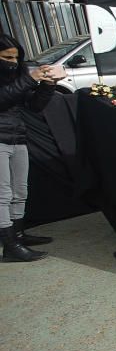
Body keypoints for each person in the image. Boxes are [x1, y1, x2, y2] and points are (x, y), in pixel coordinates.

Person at [0, 33, 58, 262]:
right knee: (3, 194)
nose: (13, 62)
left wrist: (48, 85)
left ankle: (19, 234)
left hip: (17, 136)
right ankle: (10, 245)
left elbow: (34, 106)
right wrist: (30, 79)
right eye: (7, 57)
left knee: (20, 190)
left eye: (15, 58)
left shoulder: (17, 76)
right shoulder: (18, 79)